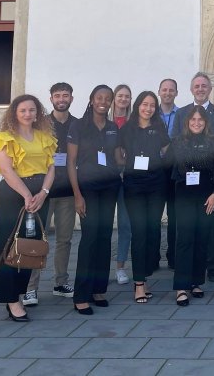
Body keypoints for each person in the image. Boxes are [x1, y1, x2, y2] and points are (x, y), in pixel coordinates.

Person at [0, 95, 56, 322]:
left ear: (37, 113)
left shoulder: (44, 137)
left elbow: (51, 168)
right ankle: (11, 300)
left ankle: (20, 294)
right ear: (14, 113)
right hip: (14, 196)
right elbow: (6, 170)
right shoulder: (4, 138)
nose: (28, 114)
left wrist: (42, 194)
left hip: (39, 196)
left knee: (30, 247)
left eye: (32, 110)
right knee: (9, 248)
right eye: (23, 110)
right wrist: (27, 195)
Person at [68, 85, 121, 315]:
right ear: (91, 99)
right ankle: (81, 295)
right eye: (99, 97)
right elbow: (71, 162)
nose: (104, 101)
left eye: (107, 99)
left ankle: (98, 289)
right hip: (87, 188)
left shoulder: (112, 127)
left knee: (104, 237)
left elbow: (118, 157)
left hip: (109, 187)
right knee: (89, 238)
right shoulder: (78, 126)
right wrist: (77, 195)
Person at [172, 72, 214, 282]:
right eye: (196, 86)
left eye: (204, 86)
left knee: (211, 225)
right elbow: (178, 140)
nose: (200, 89)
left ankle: (212, 265)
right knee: (187, 231)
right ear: (191, 89)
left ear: (210, 89)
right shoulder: (182, 114)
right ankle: (188, 270)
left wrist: (206, 157)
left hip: (211, 174)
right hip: (187, 180)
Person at [23, 83, 77, 306]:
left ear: (72, 98)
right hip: (42, 192)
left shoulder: (77, 123)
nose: (61, 99)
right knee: (36, 240)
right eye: (57, 95)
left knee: (65, 240)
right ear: (51, 98)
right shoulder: (41, 124)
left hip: (67, 191)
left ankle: (60, 282)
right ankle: (30, 288)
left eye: (65, 95)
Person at [117, 91, 170, 303]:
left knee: (152, 230)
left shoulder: (159, 128)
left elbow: (167, 151)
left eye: (152, 105)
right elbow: (119, 155)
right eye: (144, 104)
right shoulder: (127, 129)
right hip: (134, 186)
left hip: (156, 185)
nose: (148, 108)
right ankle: (139, 283)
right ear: (138, 105)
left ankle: (145, 275)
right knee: (138, 231)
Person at [170, 105, 214, 305]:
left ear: (206, 122)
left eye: (200, 120)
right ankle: (181, 287)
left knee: (202, 239)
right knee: (185, 240)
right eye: (193, 120)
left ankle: (195, 282)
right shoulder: (177, 142)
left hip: (207, 198)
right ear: (187, 122)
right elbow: (173, 170)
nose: (196, 123)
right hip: (184, 197)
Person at [109, 84, 132, 285]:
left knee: (125, 224)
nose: (123, 99)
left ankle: (120, 267)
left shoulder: (133, 123)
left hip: (127, 176)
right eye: (120, 96)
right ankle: (100, 265)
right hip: (106, 176)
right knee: (104, 224)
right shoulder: (103, 121)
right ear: (114, 98)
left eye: (127, 96)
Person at [159, 78, 180, 270]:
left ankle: (173, 256)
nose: (167, 93)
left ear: (176, 93)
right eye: (164, 90)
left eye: (171, 90)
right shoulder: (149, 112)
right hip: (155, 170)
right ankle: (152, 257)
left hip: (174, 170)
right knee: (153, 214)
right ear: (159, 92)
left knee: (174, 215)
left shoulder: (181, 114)